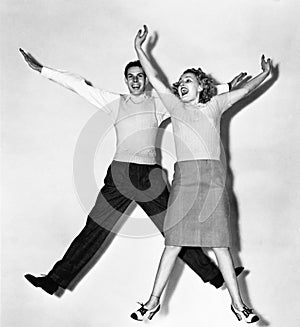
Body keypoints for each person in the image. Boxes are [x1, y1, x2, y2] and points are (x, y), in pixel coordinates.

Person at [19, 48, 245, 296]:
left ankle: (215, 276)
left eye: (140, 75)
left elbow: (196, 96)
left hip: (150, 178)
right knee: (94, 228)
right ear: (126, 80)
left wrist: (226, 87)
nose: (136, 80)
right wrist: (43, 70)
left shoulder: (160, 102)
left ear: (146, 80)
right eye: (131, 76)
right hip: (120, 176)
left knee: (174, 230)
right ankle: (54, 280)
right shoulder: (114, 102)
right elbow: (79, 86)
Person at [131, 25, 272, 323]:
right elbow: (155, 79)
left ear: (202, 86)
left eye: (188, 80)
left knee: (220, 245)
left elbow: (246, 90)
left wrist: (265, 74)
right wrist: (139, 50)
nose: (182, 84)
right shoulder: (174, 105)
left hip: (213, 179)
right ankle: (152, 303)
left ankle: (239, 306)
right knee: (173, 243)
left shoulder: (216, 104)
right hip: (185, 181)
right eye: (180, 81)